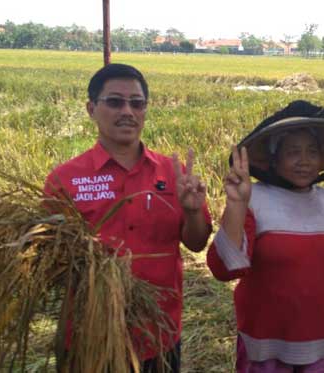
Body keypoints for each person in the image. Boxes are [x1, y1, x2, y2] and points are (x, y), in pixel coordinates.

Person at [44, 63, 212, 373]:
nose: (128, 111)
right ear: (91, 108)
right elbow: (49, 261)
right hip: (88, 335)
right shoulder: (64, 180)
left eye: (137, 103)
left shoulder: (172, 174)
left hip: (157, 335)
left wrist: (191, 210)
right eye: (115, 101)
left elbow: (197, 242)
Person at [206, 101, 324, 373]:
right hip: (266, 346)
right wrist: (236, 204)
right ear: (273, 159)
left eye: (312, 152)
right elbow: (224, 268)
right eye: (293, 152)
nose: (304, 161)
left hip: (322, 342)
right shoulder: (254, 199)